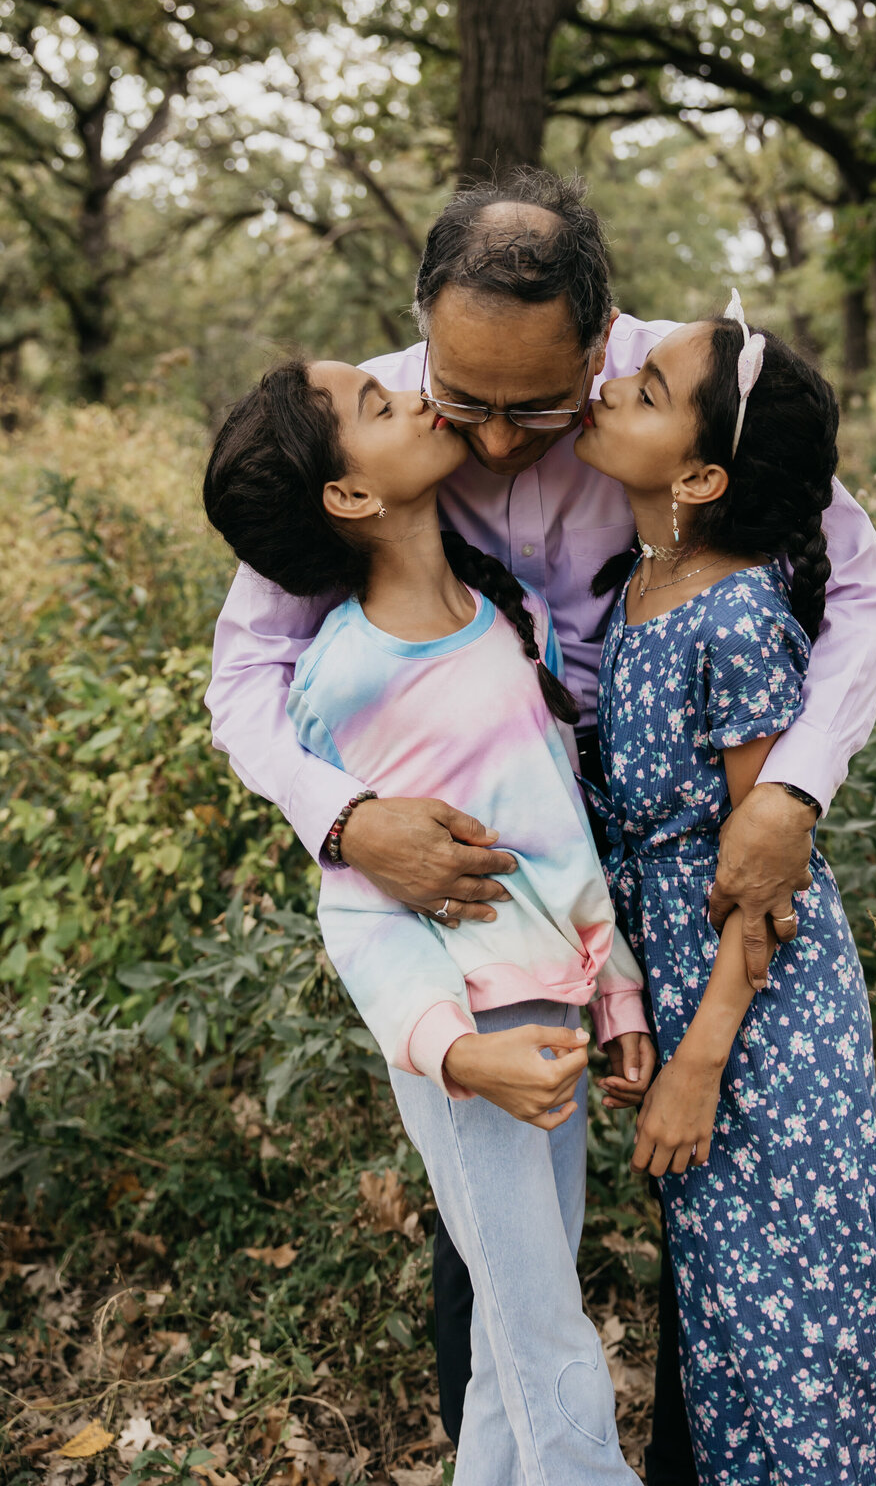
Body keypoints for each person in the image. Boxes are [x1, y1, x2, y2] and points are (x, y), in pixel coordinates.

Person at [204, 168, 876, 1484]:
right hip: (483, 872)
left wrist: (790, 792)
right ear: (425, 328)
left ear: (603, 337)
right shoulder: (367, 423)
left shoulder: (688, 398)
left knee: (717, 1200)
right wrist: (350, 820)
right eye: (465, 398)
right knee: (499, 1222)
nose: (498, 437)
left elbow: (864, 595)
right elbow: (245, 676)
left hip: (695, 835)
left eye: (540, 403)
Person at [203, 354, 655, 1484]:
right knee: (549, 1338)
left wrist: (615, 988)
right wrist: (457, 1052)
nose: (413, 397)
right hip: (468, 1046)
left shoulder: (505, 618)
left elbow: (558, 835)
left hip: (549, 1023)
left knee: (510, 1354)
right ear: (349, 498)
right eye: (376, 405)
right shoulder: (346, 677)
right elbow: (356, 908)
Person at [574, 297, 876, 1485]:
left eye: (643, 393)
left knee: (810, 1319)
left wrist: (697, 1061)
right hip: (683, 985)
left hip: (760, 1012)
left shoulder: (736, 615)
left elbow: (762, 885)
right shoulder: (637, 591)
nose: (612, 387)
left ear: (696, 476)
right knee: (735, 1323)